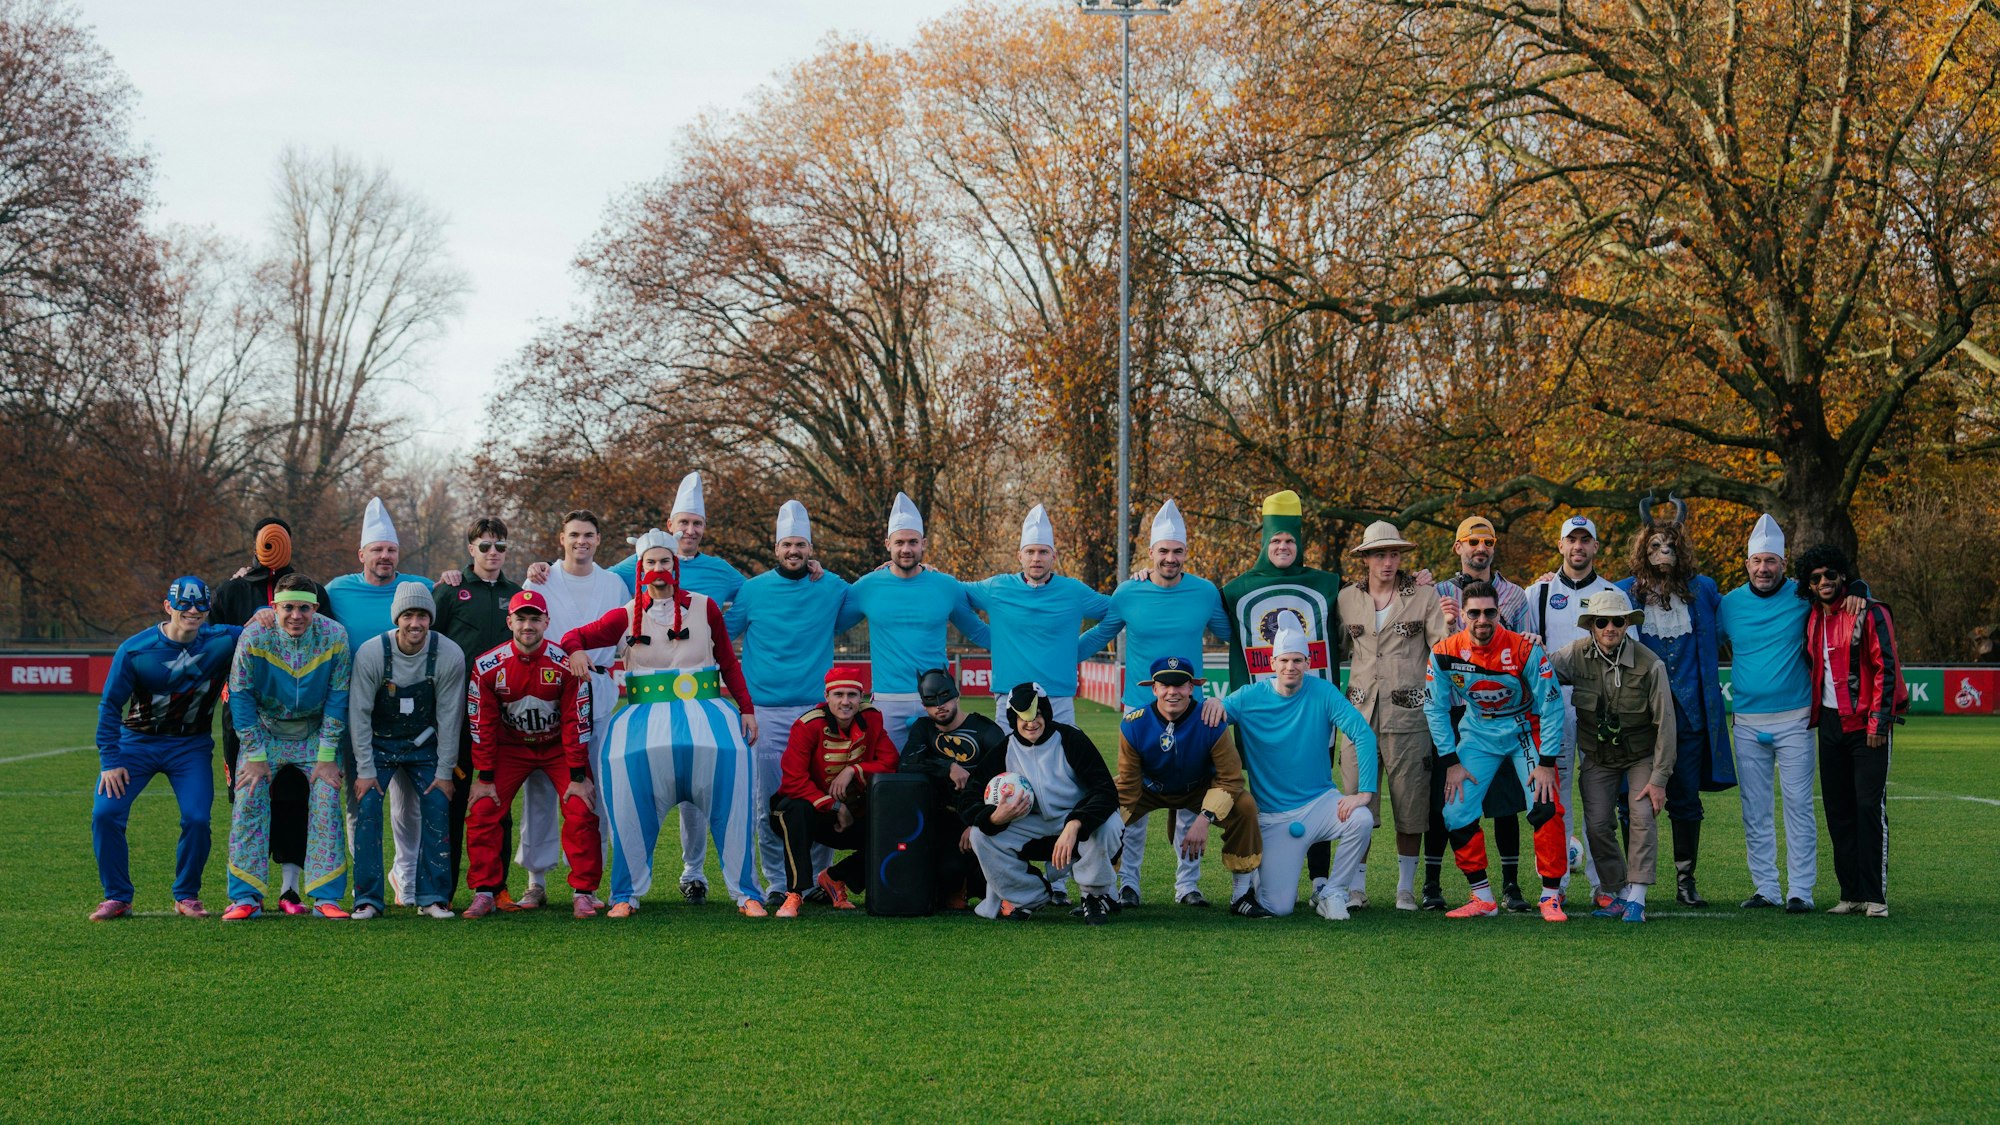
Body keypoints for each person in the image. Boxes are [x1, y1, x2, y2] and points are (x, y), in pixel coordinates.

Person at [560, 536, 763, 917]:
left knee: (734, 789)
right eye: (651, 562)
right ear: (641, 569)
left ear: (675, 567)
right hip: (643, 722)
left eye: (665, 562)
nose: (658, 569)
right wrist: (576, 652)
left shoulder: (704, 608)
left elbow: (729, 663)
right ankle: (625, 894)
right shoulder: (625, 614)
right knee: (626, 796)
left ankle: (745, 891)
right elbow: (575, 636)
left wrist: (746, 709)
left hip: (708, 715)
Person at [1078, 499, 1231, 907]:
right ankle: (1128, 883)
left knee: (1188, 802)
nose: (1170, 558)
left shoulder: (1203, 592)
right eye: (1163, 551)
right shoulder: (1128, 592)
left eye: (1177, 551)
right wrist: (1054, 658)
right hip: (1138, 712)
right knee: (1132, 800)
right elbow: (1098, 636)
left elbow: (1236, 635)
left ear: (1186, 553)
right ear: (1150, 554)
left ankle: (1188, 885)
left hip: (1191, 711)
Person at [1717, 515, 1863, 913]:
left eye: (1771, 561)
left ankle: (1801, 890)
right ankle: (1766, 888)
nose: (1764, 569)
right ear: (1746, 564)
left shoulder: (1805, 595)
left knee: (1799, 805)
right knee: (1755, 808)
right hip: (1746, 721)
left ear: (1784, 563)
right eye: (1757, 561)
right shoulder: (1728, 605)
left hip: (1796, 719)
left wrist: (1859, 590)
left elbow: (1841, 591)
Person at [725, 500, 862, 909]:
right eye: (787, 544)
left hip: (816, 713)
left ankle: (817, 879)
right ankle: (774, 882)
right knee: (769, 801)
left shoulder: (832, 586)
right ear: (776, 548)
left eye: (801, 545)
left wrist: (824, 574)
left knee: (820, 795)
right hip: (765, 714)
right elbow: (722, 635)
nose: (794, 552)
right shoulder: (752, 590)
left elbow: (853, 608)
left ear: (810, 549)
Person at [89, 577, 242, 920]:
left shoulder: (221, 639)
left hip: (190, 745)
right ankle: (117, 896)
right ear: (168, 606)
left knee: (198, 818)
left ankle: (187, 894)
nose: (192, 611)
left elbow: (262, 618)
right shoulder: (135, 649)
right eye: (184, 604)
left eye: (201, 604)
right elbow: (110, 706)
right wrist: (110, 760)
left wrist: (262, 606)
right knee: (105, 814)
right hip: (136, 743)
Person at [1423, 580, 1570, 922]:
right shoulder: (1444, 653)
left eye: (1489, 612)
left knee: (1546, 805)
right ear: (1462, 615)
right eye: (1473, 612)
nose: (1482, 619)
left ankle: (1550, 896)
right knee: (1455, 810)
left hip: (1523, 731)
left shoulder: (1524, 650)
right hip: (1478, 734)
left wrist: (1547, 762)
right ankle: (1482, 897)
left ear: (1499, 612)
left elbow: (1551, 705)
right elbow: (1434, 708)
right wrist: (1452, 762)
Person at [1615, 500, 1734, 908]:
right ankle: (1632, 881)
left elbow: (1747, 603)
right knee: (1631, 800)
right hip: (1639, 717)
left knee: (1685, 798)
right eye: (1655, 546)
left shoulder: (1703, 591)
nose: (1663, 553)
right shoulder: (1622, 593)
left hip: (1691, 716)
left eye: (1671, 546)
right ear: (1643, 550)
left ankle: (1686, 880)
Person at [1218, 623, 1377, 919]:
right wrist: (1212, 704)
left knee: (1361, 818)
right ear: (1272, 662)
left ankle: (1332, 891)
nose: (1290, 667)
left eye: (1297, 660)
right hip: (1273, 817)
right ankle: (1255, 876)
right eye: (1284, 660)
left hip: (1320, 804)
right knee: (1279, 908)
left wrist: (1364, 793)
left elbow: (1363, 734)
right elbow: (1212, 719)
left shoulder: (1323, 691)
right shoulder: (1248, 697)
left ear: (1307, 662)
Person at [211, 517, 330, 912]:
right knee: (248, 795)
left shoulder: (311, 590)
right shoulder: (232, 589)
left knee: (295, 796)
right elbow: (211, 638)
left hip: (301, 718)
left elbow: (323, 634)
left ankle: (290, 889)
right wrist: (244, 627)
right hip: (246, 714)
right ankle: (247, 892)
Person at [462, 590, 604, 919]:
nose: (528, 625)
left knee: (581, 807)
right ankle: (485, 890)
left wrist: (578, 775)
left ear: (546, 622)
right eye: (521, 618)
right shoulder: (487, 667)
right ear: (509, 621)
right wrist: (484, 776)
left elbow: (575, 722)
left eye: (535, 619)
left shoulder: (567, 665)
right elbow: (481, 723)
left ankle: (584, 891)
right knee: (483, 808)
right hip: (512, 748)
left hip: (556, 748)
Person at [321, 497, 434, 908]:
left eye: (391, 550)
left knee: (411, 805)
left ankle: (405, 876)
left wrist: (457, 575)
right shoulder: (337, 590)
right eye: (378, 550)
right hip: (359, 714)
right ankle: (365, 884)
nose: (385, 557)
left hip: (412, 714)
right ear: (362, 554)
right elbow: (293, 608)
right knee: (361, 800)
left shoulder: (418, 589)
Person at [221, 574, 353, 921]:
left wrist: (326, 759)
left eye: (304, 608)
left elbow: (338, 699)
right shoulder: (254, 636)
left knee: (326, 800)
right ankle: (245, 897)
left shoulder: (334, 637)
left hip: (315, 734)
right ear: (275, 607)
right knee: (249, 797)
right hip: (264, 733)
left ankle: (327, 897)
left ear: (316, 609)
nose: (296, 615)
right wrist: (256, 755)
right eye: (288, 607)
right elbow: (241, 696)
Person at [516, 510, 629, 907]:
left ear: (599, 539)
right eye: (574, 535)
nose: (582, 542)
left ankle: (588, 882)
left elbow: (626, 636)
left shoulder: (614, 583)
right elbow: (524, 634)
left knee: (593, 789)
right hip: (546, 696)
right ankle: (536, 880)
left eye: (589, 535)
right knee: (541, 789)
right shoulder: (541, 580)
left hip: (597, 694)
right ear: (561, 538)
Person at [1336, 521, 1448, 911]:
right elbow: (1331, 650)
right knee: (1355, 804)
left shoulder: (1424, 595)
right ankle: (1355, 887)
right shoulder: (1346, 598)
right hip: (1357, 719)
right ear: (1365, 557)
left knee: (1411, 804)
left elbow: (1443, 650)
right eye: (1380, 554)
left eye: (1394, 553)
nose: (1388, 561)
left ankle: (1405, 888)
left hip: (1409, 717)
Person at [1546, 590, 1675, 924]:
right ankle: (1618, 892)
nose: (1609, 628)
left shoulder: (1651, 665)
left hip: (1640, 755)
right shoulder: (1574, 655)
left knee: (1642, 815)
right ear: (1591, 625)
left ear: (1627, 624)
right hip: (1598, 756)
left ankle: (1638, 898)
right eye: (1602, 621)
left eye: (1617, 621)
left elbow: (1666, 726)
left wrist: (1659, 780)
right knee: (1598, 824)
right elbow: (1539, 671)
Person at [1435, 515, 1536, 912]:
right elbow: (1435, 646)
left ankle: (1510, 885)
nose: (1481, 548)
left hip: (1503, 709)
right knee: (1451, 797)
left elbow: (1526, 645)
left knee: (1506, 800)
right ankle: (1438, 884)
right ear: (1458, 546)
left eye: (1488, 541)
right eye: (1472, 541)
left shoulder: (1514, 594)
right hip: (1458, 708)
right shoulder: (1438, 591)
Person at [347, 583, 465, 920]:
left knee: (438, 804)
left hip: (425, 745)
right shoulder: (371, 653)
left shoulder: (449, 654)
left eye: (423, 615)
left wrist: (444, 773)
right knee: (366, 806)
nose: (416, 623)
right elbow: (359, 715)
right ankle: (367, 899)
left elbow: (449, 717)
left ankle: (433, 897)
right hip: (378, 745)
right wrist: (366, 770)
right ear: (397, 618)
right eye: (409, 615)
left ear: (431, 619)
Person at [1116, 656, 1268, 917]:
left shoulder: (1210, 721)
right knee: (1109, 810)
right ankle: (1112, 889)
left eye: (1180, 685)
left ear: (1192, 688)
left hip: (1198, 789)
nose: (1172, 691)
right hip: (1147, 789)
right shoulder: (1135, 723)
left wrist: (1205, 817)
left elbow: (1230, 778)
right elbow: (1128, 783)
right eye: (1164, 685)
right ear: (1154, 689)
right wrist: (1115, 815)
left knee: (1244, 806)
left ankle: (1241, 894)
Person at [1801, 545, 1905, 918]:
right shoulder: (1813, 617)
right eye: (1815, 578)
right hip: (1829, 725)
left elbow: (1887, 668)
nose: (1824, 582)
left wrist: (1879, 721)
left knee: (1867, 807)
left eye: (1830, 575)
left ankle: (1875, 896)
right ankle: (1850, 894)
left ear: (1843, 575)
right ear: (1808, 584)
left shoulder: (1870, 611)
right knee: (1838, 810)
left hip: (1866, 726)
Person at [841, 492, 991, 748]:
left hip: (938, 701)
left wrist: (1025, 647)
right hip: (887, 701)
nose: (906, 549)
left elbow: (979, 633)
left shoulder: (946, 586)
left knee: (943, 778)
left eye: (913, 542)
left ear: (923, 543)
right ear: (887, 544)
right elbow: (827, 626)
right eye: (900, 542)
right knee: (887, 779)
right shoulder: (867, 586)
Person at [1522, 515, 1620, 904]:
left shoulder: (1612, 593)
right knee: (1554, 796)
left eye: (1585, 540)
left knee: (1599, 799)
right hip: (1553, 708)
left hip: (1601, 708)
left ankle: (1603, 885)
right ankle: (1555, 885)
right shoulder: (1538, 593)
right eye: (1571, 540)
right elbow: (1526, 648)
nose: (1578, 547)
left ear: (1595, 547)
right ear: (1560, 545)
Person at [971, 683, 1123, 924]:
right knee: (980, 835)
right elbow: (971, 796)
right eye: (1023, 717)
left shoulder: (1071, 739)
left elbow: (1105, 791)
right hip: (1031, 826)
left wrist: (1076, 822)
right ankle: (1029, 896)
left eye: (1038, 714)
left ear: (1047, 714)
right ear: (1013, 719)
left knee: (1109, 823)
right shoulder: (1005, 750)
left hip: (1075, 823)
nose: (1031, 723)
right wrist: (992, 818)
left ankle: (1095, 896)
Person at [428, 516, 522, 900]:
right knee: (450, 798)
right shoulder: (450, 590)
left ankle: (495, 887)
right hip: (455, 714)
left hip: (502, 715)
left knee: (496, 802)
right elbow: (428, 643)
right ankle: (441, 892)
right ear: (471, 549)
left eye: (500, 546)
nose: (493, 553)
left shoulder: (515, 593)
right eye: (485, 546)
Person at [769, 666, 899, 917]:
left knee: (892, 830)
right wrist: (834, 806)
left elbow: (890, 762)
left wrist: (854, 770)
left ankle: (835, 878)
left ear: (861, 697)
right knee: (795, 811)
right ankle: (795, 893)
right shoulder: (807, 725)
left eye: (852, 695)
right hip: (808, 810)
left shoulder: (872, 718)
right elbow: (793, 780)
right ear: (826, 697)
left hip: (852, 811)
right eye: (838, 694)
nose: (845, 701)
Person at [964, 503, 1111, 724]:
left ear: (1054, 556)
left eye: (1043, 552)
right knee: (1010, 759)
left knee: (1060, 758)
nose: (1036, 558)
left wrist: (1078, 649)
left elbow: (1119, 609)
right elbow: (952, 594)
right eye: (1030, 552)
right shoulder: (997, 587)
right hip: (1009, 697)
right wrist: (925, 572)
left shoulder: (1073, 591)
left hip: (1058, 698)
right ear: (1019, 556)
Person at [899, 668, 1010, 910]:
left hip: (983, 819)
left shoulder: (986, 731)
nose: (939, 706)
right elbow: (906, 764)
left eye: (945, 698)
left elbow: (1003, 781)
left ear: (957, 696)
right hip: (941, 820)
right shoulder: (923, 729)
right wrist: (948, 766)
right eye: (931, 702)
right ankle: (958, 886)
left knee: (997, 880)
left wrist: (978, 823)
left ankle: (988, 887)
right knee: (943, 876)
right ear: (924, 705)